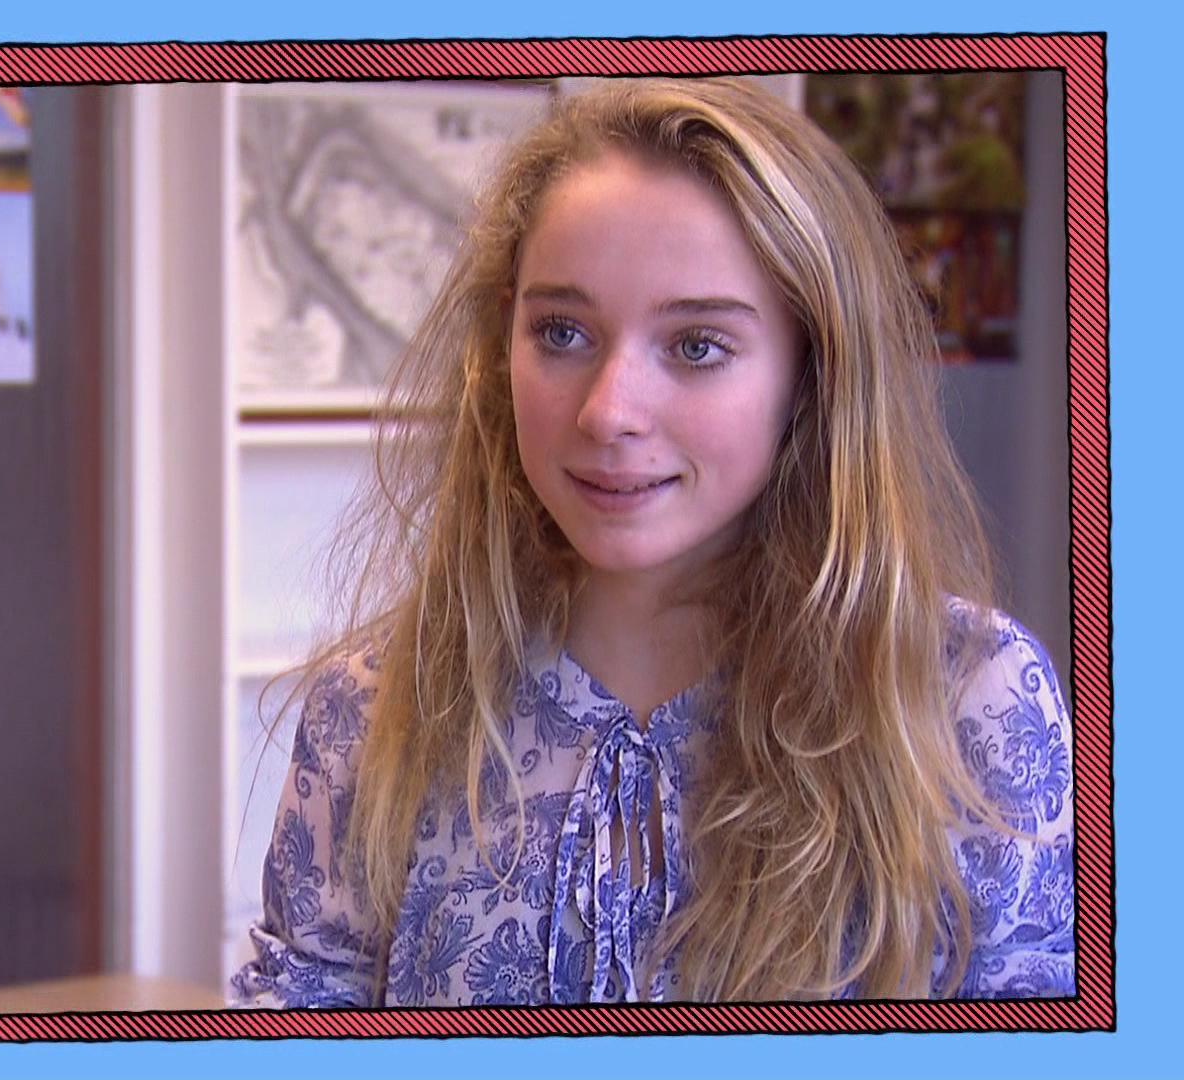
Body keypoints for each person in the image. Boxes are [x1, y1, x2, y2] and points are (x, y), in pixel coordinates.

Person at [228, 77, 1074, 1006]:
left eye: (697, 345)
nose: (608, 412)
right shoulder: (371, 709)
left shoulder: (967, 700)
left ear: (812, 369)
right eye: (561, 332)